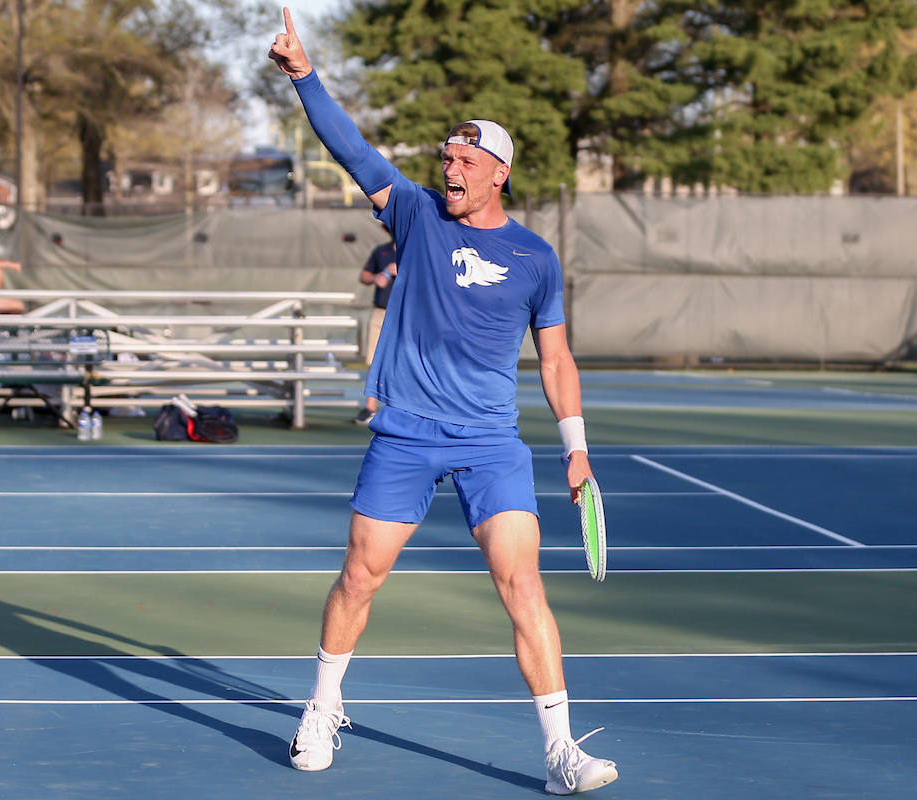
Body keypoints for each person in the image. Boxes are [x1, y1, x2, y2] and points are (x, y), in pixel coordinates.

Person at [270, 9, 618, 795]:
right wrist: (303, 75)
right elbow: (351, 149)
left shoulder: (536, 257)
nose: (449, 169)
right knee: (360, 577)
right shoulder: (415, 213)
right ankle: (322, 709)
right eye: (445, 158)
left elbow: (555, 356)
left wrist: (576, 448)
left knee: (522, 584)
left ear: (499, 172)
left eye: (464, 160)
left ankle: (562, 750)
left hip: (492, 442)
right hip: (405, 435)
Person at [354, 224, 396, 425]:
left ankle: (400, 408)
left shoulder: (415, 250)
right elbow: (364, 276)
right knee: (374, 359)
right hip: (380, 311)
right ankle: (370, 407)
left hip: (405, 314)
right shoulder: (381, 251)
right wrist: (376, 276)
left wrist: (403, 271)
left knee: (404, 360)